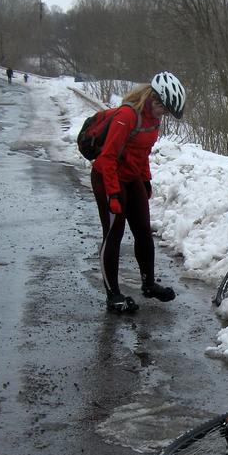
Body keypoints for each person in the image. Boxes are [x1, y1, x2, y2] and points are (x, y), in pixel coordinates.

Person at [91, 71, 186, 313]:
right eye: (164, 108)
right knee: (114, 233)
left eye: (167, 112)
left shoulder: (153, 120)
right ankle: (113, 295)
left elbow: (141, 153)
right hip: (108, 177)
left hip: (131, 177)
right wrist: (113, 194)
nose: (164, 114)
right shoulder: (127, 116)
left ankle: (148, 284)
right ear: (154, 98)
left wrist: (145, 180)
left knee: (143, 230)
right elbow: (107, 158)